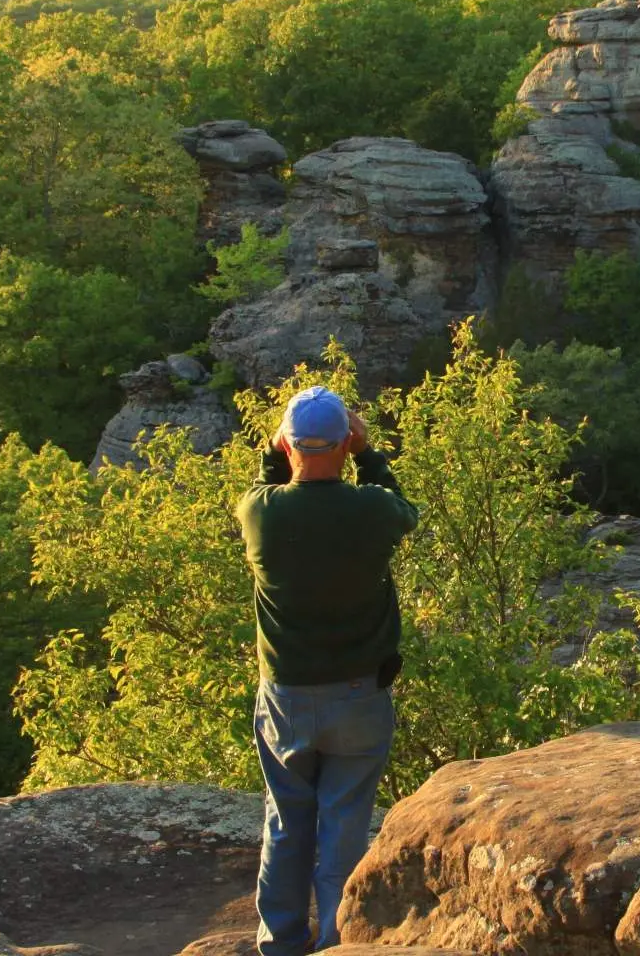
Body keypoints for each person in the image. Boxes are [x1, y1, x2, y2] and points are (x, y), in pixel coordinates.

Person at [234, 386, 418, 956]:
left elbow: (270, 480)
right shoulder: (372, 511)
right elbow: (401, 508)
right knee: (343, 825)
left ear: (289, 446)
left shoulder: (259, 512)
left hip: (286, 695)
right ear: (344, 445)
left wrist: (277, 445)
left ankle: (281, 941)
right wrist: (369, 454)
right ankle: (339, 941)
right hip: (361, 693)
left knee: (286, 822)